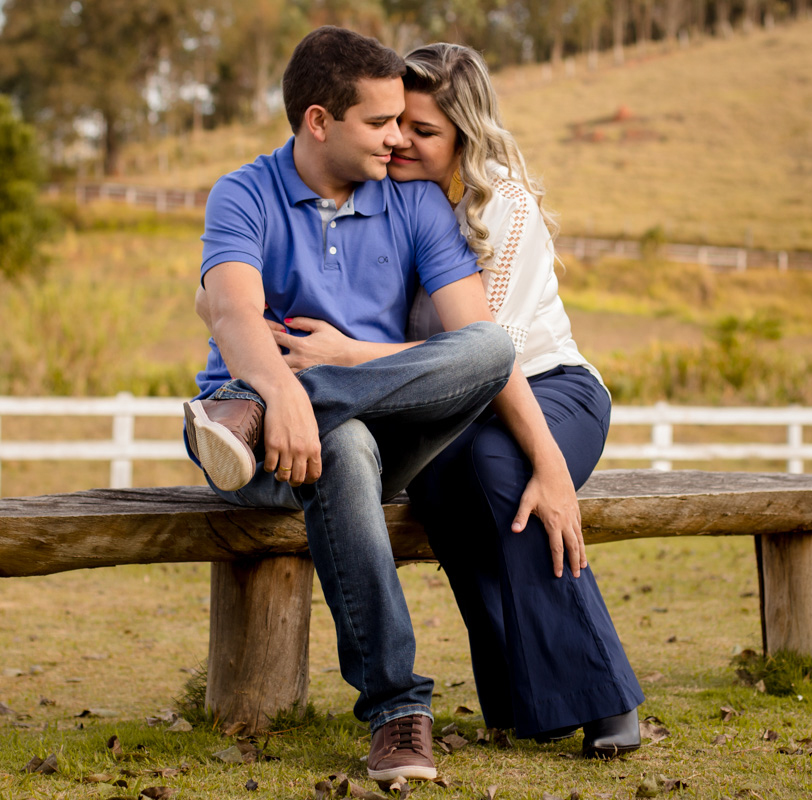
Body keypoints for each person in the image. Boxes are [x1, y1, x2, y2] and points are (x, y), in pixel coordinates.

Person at [250, 42, 645, 758]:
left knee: (500, 472)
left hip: (547, 388)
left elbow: (491, 356)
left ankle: (604, 695)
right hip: (446, 407)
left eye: (423, 131)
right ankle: (522, 698)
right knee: (441, 486)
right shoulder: (394, 198)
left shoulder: (503, 209)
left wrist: (552, 469)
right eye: (394, 121)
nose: (399, 140)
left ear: (466, 136)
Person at [184, 26, 520, 789]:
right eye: (380, 122)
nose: (398, 138)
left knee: (490, 350)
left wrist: (303, 386)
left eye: (402, 120)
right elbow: (232, 311)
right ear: (318, 120)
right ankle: (397, 710)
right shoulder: (245, 192)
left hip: (293, 424)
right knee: (344, 448)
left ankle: (250, 409)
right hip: (258, 457)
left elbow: (474, 338)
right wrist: (280, 391)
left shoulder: (415, 204)